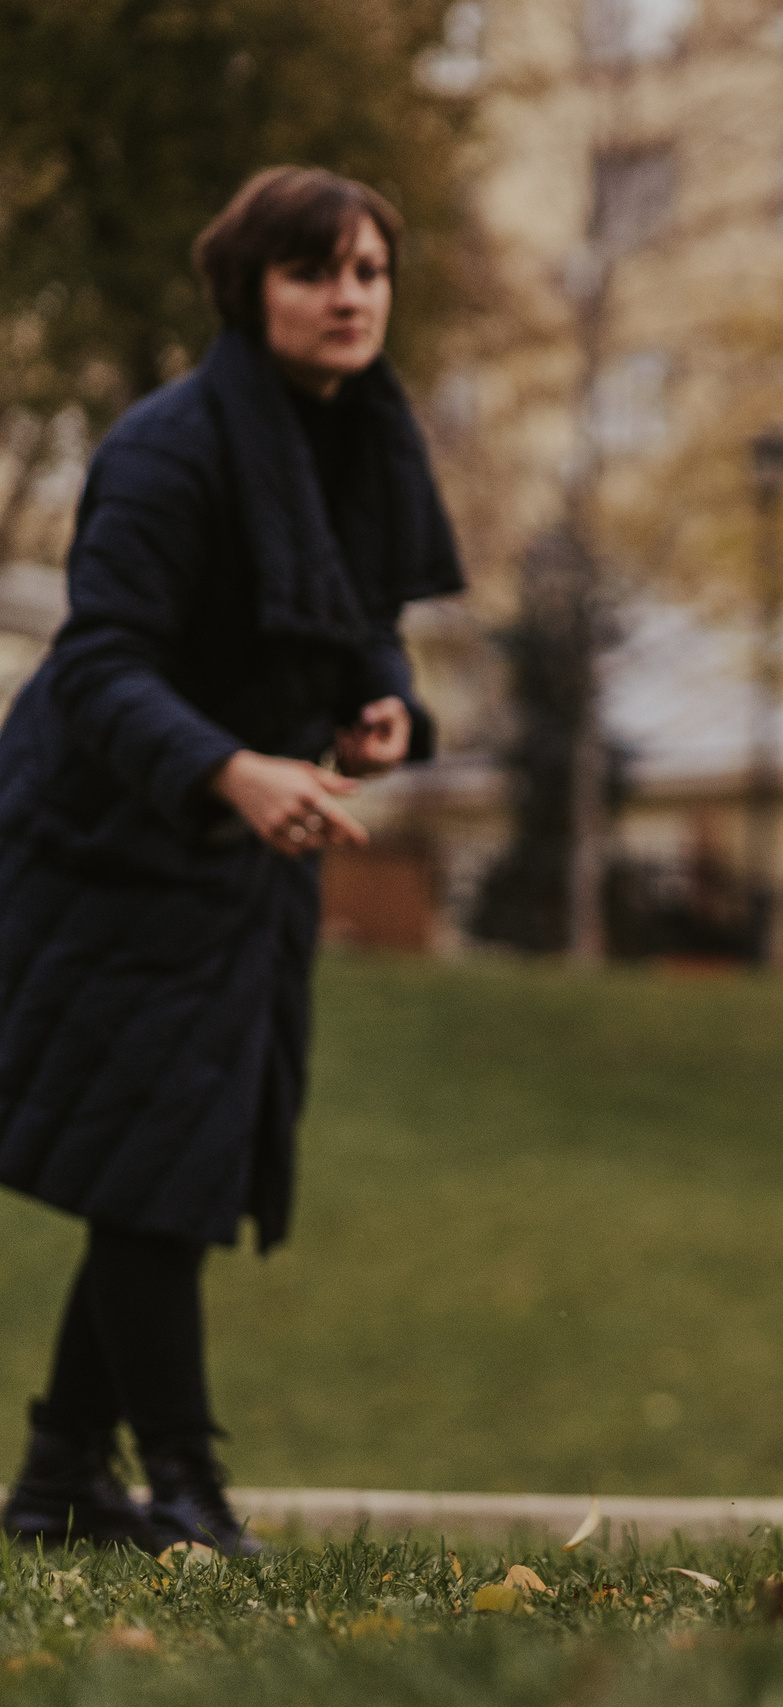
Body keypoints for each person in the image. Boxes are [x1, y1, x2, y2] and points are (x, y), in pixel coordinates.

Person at [0, 168, 464, 1552]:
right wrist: (235, 766)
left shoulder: (357, 437)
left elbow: (353, 613)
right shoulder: (170, 447)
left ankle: (58, 1480)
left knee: (176, 1160)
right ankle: (186, 1486)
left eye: (369, 270)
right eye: (314, 270)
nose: (348, 295)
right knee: (160, 1167)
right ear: (247, 288)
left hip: (246, 856)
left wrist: (382, 699)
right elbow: (97, 662)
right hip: (106, 849)